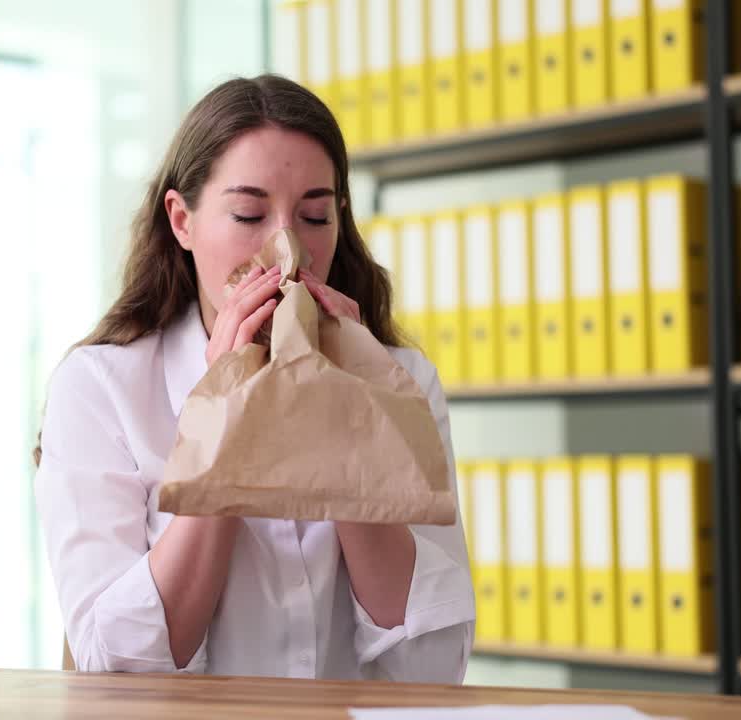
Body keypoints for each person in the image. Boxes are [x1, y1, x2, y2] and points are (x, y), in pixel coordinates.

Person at [33, 74, 474, 682]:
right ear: (181, 222)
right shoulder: (101, 388)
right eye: (248, 213)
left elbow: (432, 665)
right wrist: (225, 418)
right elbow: (115, 667)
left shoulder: (402, 381)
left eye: (315, 216)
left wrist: (351, 419)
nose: (287, 249)